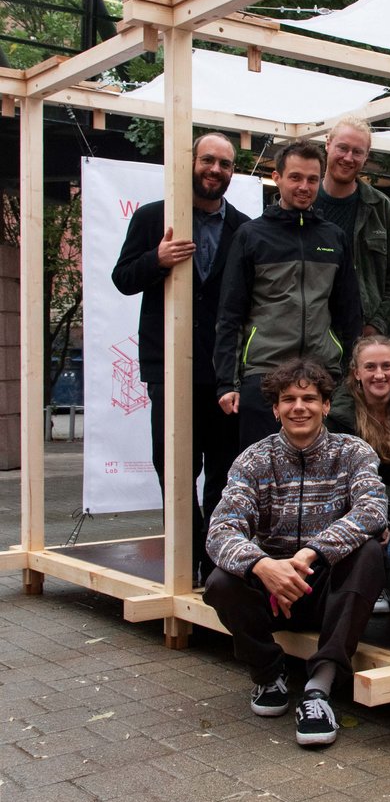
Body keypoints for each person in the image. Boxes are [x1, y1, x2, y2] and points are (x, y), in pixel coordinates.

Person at [204, 359, 386, 747]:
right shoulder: (254, 460)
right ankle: (269, 675)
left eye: (309, 398)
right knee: (219, 581)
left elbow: (372, 510)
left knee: (369, 554)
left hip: (325, 588)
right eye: (288, 399)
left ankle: (319, 689)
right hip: (272, 592)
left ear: (325, 405)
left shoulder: (353, 452)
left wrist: (311, 554)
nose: (298, 406)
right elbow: (221, 530)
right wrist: (263, 565)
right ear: (275, 409)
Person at [111, 132, 249, 582]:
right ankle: (183, 562)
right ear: (190, 163)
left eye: (225, 164)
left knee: (226, 474)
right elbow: (123, 278)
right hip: (169, 368)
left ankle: (216, 565)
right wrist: (158, 258)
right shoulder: (155, 218)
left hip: (224, 373)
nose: (215, 170)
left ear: (233, 172)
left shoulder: (244, 228)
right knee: (174, 469)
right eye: (208, 160)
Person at [214, 141, 362, 449]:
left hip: (321, 374)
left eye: (311, 179)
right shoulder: (251, 236)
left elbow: (349, 312)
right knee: (263, 473)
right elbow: (230, 313)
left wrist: (346, 370)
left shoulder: (333, 237)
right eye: (295, 177)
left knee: (322, 473)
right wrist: (226, 382)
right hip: (265, 374)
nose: (304, 186)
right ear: (277, 177)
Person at [327, 335, 390, 614]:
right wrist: (375, 520)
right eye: (370, 367)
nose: (379, 374)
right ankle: (374, 585)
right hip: (358, 510)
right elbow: (341, 483)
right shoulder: (339, 418)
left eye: (386, 366)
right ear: (356, 372)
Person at [317, 117, 390, 337]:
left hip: (365, 337)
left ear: (366, 156)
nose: (348, 158)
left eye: (357, 152)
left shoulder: (382, 209)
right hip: (313, 334)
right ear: (328, 144)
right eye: (342, 148)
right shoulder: (304, 203)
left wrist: (376, 325)